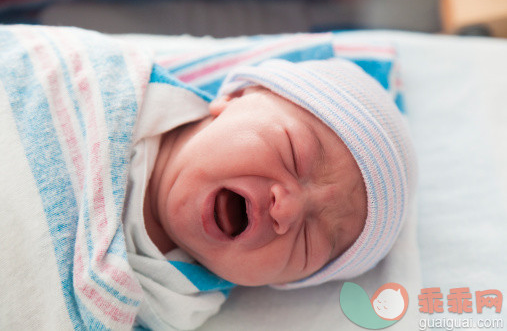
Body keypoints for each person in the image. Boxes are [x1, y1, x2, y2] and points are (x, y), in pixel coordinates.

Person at [123, 57, 416, 323]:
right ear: (235, 98)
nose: (286, 209)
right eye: (293, 155)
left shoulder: (170, 308)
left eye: (308, 242)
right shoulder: (115, 89)